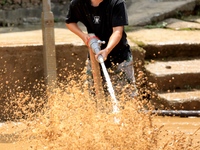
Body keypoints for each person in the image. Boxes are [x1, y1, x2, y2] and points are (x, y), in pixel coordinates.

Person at [65, 0, 137, 98]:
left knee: (126, 97)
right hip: (94, 56)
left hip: (120, 58)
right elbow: (70, 22)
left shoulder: (117, 3)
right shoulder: (78, 3)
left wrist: (107, 50)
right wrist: (83, 36)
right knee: (94, 95)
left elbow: (117, 32)